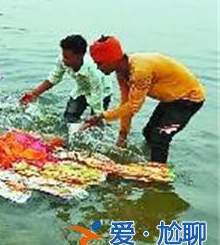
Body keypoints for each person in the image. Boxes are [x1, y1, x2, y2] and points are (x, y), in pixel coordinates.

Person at [84, 35, 205, 163]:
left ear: (112, 60)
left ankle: (158, 173)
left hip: (188, 99)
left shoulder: (140, 71)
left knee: (160, 137)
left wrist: (102, 116)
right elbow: (126, 103)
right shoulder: (121, 72)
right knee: (148, 133)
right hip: (171, 99)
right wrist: (122, 136)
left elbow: (134, 106)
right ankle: (150, 161)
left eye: (99, 63)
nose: (98, 68)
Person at [20, 35, 112, 123]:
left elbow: (96, 96)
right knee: (68, 118)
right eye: (63, 56)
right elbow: (53, 78)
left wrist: (96, 117)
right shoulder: (63, 60)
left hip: (102, 91)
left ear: (80, 56)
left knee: (96, 121)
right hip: (82, 89)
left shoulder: (92, 70)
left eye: (67, 57)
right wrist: (34, 94)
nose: (64, 60)